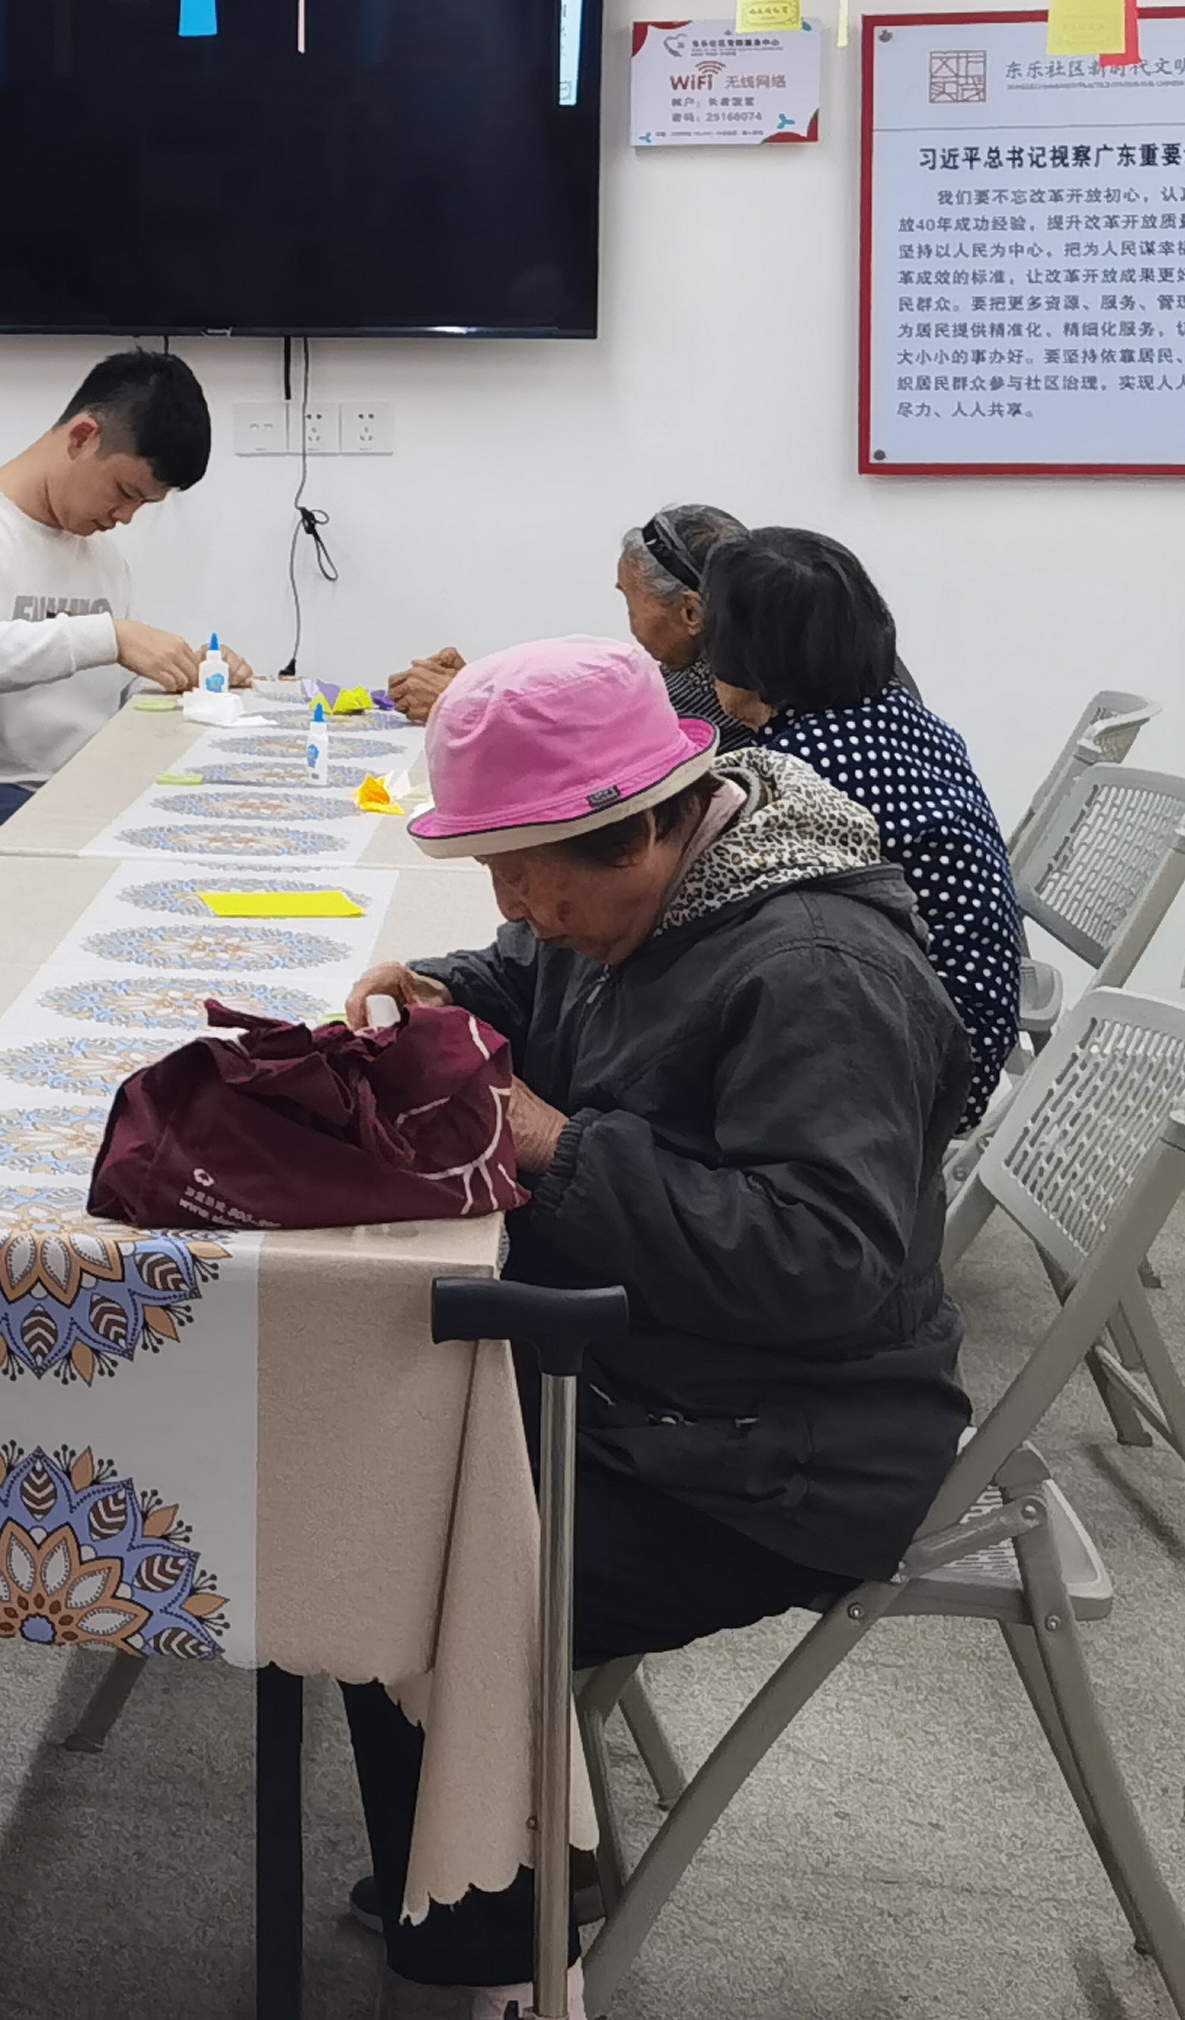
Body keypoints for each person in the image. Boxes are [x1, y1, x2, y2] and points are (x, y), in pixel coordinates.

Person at [338, 635, 968, 1989]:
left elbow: (822, 1264)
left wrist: (557, 1144)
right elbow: (537, 971)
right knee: (370, 1442)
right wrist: (450, 988)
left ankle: (491, 1939)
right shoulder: (650, 896)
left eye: (523, 874)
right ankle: (471, 1866)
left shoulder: (816, 973)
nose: (513, 903)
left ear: (637, 830)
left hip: (781, 1454)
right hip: (665, 1374)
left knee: (392, 1555)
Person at [0, 351, 230, 894]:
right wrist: (108, 635)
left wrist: (187, 674)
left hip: (68, 792)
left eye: (144, 505)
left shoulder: (101, 558)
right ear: (82, 437)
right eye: (126, 492)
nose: (125, 517)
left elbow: (113, 687)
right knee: (93, 865)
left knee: (204, 839)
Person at [701, 527, 1024, 1126]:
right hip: (973, 1034)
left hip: (913, 1077)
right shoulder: (910, 721)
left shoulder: (796, 773)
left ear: (743, 653)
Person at [390, 501, 740, 727]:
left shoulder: (731, 700)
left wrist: (462, 704)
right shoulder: (698, 668)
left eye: (631, 602)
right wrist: (477, 686)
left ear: (691, 613)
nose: (631, 624)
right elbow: (584, 715)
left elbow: (595, 760)